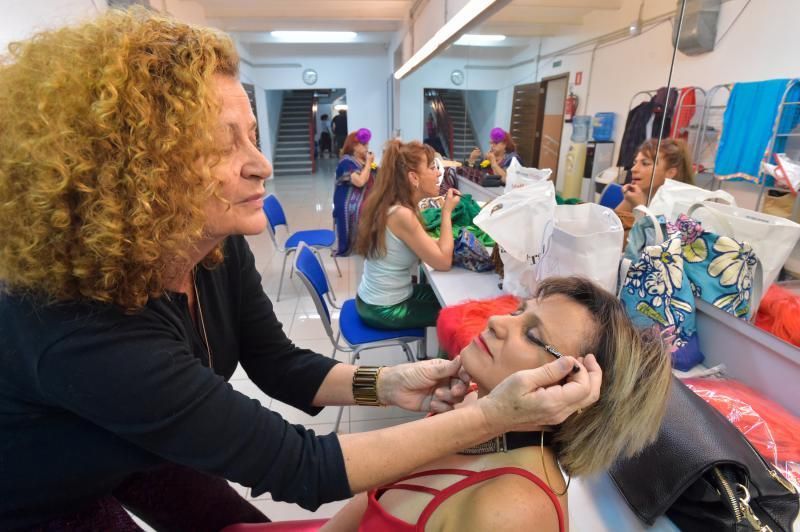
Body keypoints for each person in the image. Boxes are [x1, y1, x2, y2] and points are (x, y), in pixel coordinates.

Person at [0, 10, 602, 530]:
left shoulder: (212, 247)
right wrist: (486, 418)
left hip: (141, 445)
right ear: (128, 177)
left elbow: (277, 363)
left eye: (254, 137)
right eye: (221, 145)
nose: (260, 165)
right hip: (39, 484)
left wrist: (387, 384)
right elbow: (301, 467)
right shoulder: (78, 329)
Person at [324, 277, 672, 531]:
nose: (496, 321)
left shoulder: (509, 511)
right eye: (519, 311)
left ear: (573, 388)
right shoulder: (469, 401)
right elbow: (371, 496)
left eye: (533, 335)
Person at [355, 140, 459, 330]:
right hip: (383, 307)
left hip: (375, 297)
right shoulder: (402, 215)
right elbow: (444, 262)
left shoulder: (395, 205)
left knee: (454, 298)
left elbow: (425, 243)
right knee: (455, 313)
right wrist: (446, 212)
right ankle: (446, 361)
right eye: (431, 167)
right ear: (414, 178)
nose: (437, 173)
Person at [614, 138, 695, 241]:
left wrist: (640, 208)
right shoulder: (641, 195)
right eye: (635, 163)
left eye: (645, 163)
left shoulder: (678, 210)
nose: (633, 169)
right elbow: (607, 230)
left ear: (670, 173)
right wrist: (628, 201)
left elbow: (652, 246)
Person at [334, 128, 375, 256]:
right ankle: (364, 243)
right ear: (354, 146)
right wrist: (368, 163)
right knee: (372, 209)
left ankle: (369, 242)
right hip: (347, 200)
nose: (366, 147)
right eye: (363, 145)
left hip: (359, 196)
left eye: (367, 144)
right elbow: (360, 181)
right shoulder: (346, 161)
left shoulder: (359, 160)